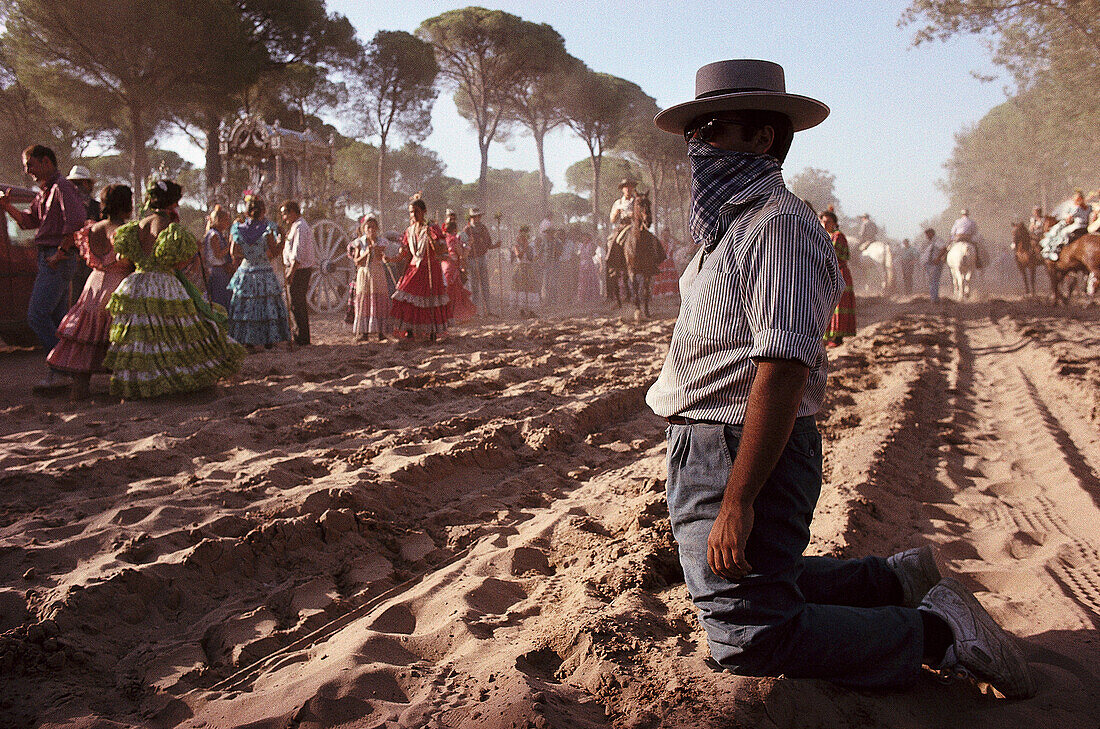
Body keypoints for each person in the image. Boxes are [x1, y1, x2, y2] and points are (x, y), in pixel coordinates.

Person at [646, 58, 1034, 698]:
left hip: (739, 444)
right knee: (749, 577)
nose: (700, 145)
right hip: (708, 444)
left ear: (764, 138)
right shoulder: (729, 226)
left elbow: (783, 366)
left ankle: (939, 631)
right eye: (697, 131)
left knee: (750, 634)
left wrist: (739, 498)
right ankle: (895, 581)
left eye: (715, 128)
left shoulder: (778, 225)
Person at [102, 180, 244, 398]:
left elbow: (124, 256)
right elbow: (178, 261)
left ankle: (144, 384)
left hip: (136, 283)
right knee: (175, 333)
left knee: (144, 337)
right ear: (174, 202)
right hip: (163, 283)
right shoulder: (169, 225)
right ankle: (176, 383)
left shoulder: (138, 225)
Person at [0, 145, 85, 391]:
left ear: (46, 162)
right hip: (49, 258)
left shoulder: (62, 188)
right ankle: (70, 372)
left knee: (37, 316)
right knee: (57, 320)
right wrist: (8, 207)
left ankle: (60, 369)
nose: (28, 171)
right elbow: (29, 221)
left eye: (31, 165)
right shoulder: (45, 192)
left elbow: (77, 222)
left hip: (56, 259)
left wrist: (61, 253)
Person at [46, 184, 134, 400]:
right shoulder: (125, 231)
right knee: (115, 337)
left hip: (93, 284)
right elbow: (130, 262)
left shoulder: (92, 229)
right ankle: (119, 389)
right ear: (127, 206)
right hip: (117, 285)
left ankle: (80, 388)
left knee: (87, 334)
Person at [227, 197, 291, 348]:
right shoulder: (267, 230)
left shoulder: (238, 229)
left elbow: (233, 252)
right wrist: (282, 240)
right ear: (263, 211)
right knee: (266, 306)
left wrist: (248, 254)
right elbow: (274, 252)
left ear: (247, 212)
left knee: (247, 306)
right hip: (264, 271)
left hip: (246, 271)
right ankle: (268, 339)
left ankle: (247, 340)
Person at [389, 195, 452, 341]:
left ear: (424, 211)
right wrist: (397, 262)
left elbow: (440, 251)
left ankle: (432, 331)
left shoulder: (431, 228)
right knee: (406, 296)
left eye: (416, 211)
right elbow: (407, 254)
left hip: (429, 268)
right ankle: (410, 329)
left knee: (429, 300)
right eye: (411, 212)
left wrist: (431, 239)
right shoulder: (409, 230)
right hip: (413, 268)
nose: (413, 215)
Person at [347, 215, 392, 341]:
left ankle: (381, 332)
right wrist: (367, 252)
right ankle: (364, 333)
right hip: (364, 273)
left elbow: (380, 258)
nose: (371, 229)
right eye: (368, 227)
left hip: (377, 273)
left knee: (379, 300)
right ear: (364, 229)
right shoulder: (359, 243)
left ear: (377, 228)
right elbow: (357, 261)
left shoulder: (381, 242)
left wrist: (376, 250)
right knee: (364, 301)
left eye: (373, 227)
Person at [279, 200, 316, 346]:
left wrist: (291, 272)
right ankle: (299, 334)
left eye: (285, 214)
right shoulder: (295, 226)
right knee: (295, 303)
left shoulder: (300, 227)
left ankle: (302, 337)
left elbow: (298, 252)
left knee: (297, 303)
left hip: (299, 270)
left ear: (293, 212)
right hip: (296, 269)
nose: (284, 217)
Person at [820, 210, 855, 347]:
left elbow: (830, 254)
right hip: (828, 274)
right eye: (822, 221)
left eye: (828, 222)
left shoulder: (838, 236)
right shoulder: (825, 235)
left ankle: (837, 337)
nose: (824, 224)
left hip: (839, 273)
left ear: (834, 223)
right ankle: (829, 336)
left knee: (839, 306)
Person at [66, 165, 100, 306]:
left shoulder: (97, 207)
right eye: (74, 184)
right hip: (72, 259)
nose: (77, 187)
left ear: (88, 184)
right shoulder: (66, 206)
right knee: (74, 300)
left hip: (93, 260)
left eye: (80, 183)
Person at [442, 211, 476, 324]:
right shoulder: (453, 239)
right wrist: (469, 245)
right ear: (454, 229)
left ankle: (446, 315)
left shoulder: (444, 238)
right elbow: (462, 254)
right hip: (452, 267)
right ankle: (454, 316)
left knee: (448, 291)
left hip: (445, 266)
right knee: (454, 292)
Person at [461, 207, 495, 315]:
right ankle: (475, 310)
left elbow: (488, 243)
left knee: (485, 283)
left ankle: (488, 309)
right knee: (474, 285)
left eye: (479, 216)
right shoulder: (466, 230)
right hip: (472, 258)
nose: (477, 218)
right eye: (475, 216)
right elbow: (463, 246)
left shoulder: (483, 228)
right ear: (471, 217)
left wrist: (494, 245)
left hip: (482, 257)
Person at [1041, 191, 1089, 261]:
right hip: (1086, 226)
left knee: (1063, 232)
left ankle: (1060, 249)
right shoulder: (1088, 207)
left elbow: (1068, 219)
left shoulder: (1077, 208)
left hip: (1078, 226)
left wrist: (1065, 219)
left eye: (1075, 199)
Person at [202, 205, 234, 310]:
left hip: (220, 271)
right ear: (218, 220)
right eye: (225, 220)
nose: (227, 223)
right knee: (219, 300)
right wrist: (229, 246)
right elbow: (218, 254)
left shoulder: (219, 234)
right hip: (217, 272)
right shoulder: (214, 235)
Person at [510, 225, 540, 316]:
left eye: (525, 238)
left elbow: (532, 258)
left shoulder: (530, 247)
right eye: (521, 238)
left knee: (530, 288)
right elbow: (519, 256)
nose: (523, 240)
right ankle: (521, 310)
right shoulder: (516, 246)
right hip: (520, 268)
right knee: (521, 289)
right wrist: (525, 248)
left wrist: (536, 256)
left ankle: (531, 311)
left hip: (529, 268)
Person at [920, 227, 948, 302]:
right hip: (929, 263)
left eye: (927, 235)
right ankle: (934, 297)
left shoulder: (937, 240)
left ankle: (934, 298)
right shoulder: (931, 241)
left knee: (934, 280)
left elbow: (944, 248)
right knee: (932, 280)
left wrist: (938, 258)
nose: (926, 237)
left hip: (935, 263)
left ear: (931, 233)